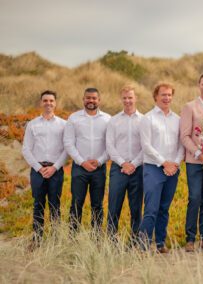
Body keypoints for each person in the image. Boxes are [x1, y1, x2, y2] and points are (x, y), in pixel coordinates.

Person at [138, 83, 184, 253]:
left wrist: (176, 163)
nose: (166, 98)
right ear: (155, 97)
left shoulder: (177, 119)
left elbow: (181, 145)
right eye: (163, 95)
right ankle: (143, 245)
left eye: (169, 95)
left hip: (173, 169)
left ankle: (160, 244)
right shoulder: (147, 118)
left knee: (164, 208)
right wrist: (165, 163)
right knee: (151, 208)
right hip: (153, 168)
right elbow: (146, 146)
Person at [22, 90, 67, 249]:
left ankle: (56, 242)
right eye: (45, 100)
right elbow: (26, 149)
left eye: (51, 101)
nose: (48, 103)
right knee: (38, 205)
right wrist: (40, 168)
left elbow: (66, 150)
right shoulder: (32, 124)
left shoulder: (63, 124)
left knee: (55, 205)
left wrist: (54, 167)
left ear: (55, 103)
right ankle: (37, 240)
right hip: (38, 171)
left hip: (56, 170)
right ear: (41, 103)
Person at [64, 87, 111, 233]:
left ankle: (96, 237)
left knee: (97, 204)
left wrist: (100, 161)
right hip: (79, 168)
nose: (91, 100)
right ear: (83, 99)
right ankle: (73, 236)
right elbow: (68, 143)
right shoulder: (74, 118)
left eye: (94, 98)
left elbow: (110, 145)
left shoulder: (108, 119)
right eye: (88, 98)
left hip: (99, 168)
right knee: (76, 203)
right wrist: (82, 161)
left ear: (99, 100)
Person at [180, 74, 203, 252]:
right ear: (199, 85)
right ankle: (190, 238)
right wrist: (198, 153)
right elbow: (185, 136)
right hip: (195, 161)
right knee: (194, 198)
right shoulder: (189, 107)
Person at [106, 85, 143, 244]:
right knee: (114, 206)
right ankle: (111, 242)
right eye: (125, 98)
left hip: (138, 168)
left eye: (130, 97)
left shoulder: (144, 120)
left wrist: (133, 164)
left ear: (136, 99)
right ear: (121, 99)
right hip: (118, 168)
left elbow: (146, 146)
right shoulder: (113, 120)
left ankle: (135, 241)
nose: (128, 101)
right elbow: (109, 146)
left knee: (136, 208)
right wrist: (123, 163)